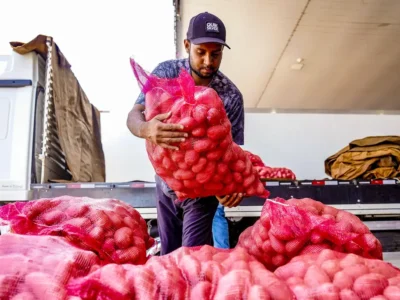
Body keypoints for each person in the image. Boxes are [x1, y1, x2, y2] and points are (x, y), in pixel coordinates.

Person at [127, 12, 245, 255]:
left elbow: (232, 153)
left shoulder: (231, 96)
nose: (208, 61)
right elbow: (134, 115)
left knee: (191, 259)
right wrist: (146, 128)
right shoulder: (167, 72)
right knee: (169, 257)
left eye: (216, 53)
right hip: (165, 185)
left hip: (203, 192)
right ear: (187, 46)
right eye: (201, 52)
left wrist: (233, 183)